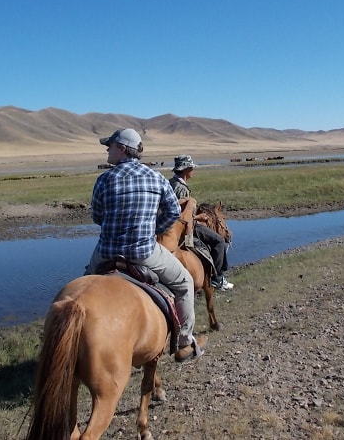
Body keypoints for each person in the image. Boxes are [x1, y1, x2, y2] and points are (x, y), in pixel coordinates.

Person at [85, 128, 207, 362]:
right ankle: (184, 342)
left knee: (82, 284)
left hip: (106, 252)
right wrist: (154, 229)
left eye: (109, 146)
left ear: (122, 149)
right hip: (144, 252)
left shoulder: (103, 179)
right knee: (184, 283)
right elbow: (172, 212)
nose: (107, 150)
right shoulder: (156, 177)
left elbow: (97, 217)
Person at [169, 155, 234, 291]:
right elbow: (181, 216)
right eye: (191, 168)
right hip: (185, 227)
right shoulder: (181, 188)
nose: (193, 170)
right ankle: (217, 278)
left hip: (170, 226)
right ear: (186, 169)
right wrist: (199, 217)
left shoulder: (171, 183)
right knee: (219, 241)